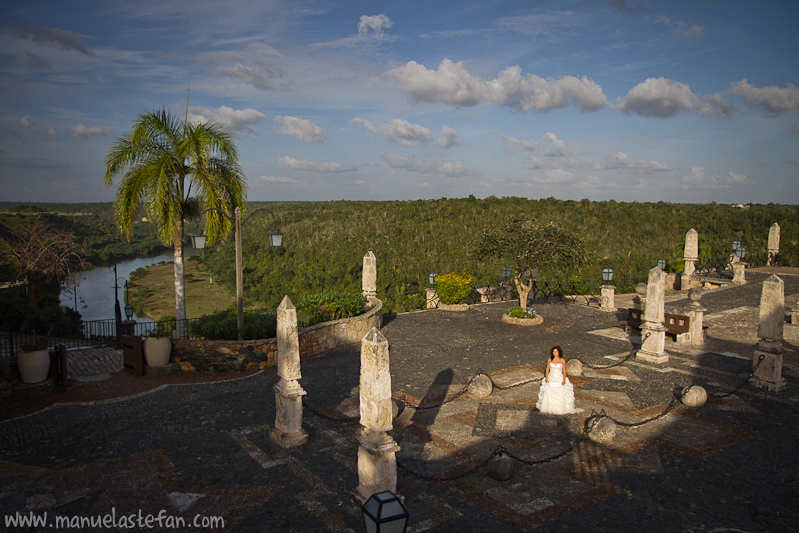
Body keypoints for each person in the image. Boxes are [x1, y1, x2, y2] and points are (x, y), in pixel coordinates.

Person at [536, 346, 577, 415]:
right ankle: (548, 407)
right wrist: (546, 377)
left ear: (559, 352)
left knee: (560, 393)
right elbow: (547, 368)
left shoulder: (562, 360)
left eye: (556, 351)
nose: (554, 353)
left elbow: (564, 370)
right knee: (548, 392)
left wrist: (564, 379)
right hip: (551, 377)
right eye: (553, 351)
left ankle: (559, 408)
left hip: (559, 378)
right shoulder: (550, 359)